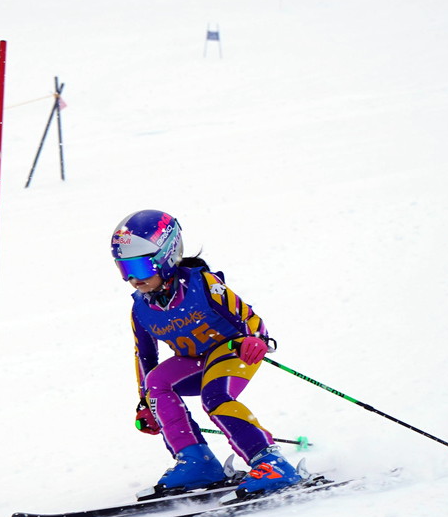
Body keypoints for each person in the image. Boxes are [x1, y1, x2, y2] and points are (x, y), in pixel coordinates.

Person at [111, 209, 306, 498]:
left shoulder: (204, 286)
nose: (134, 280)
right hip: (194, 361)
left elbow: (249, 318)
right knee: (157, 383)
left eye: (140, 269)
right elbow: (145, 357)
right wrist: (146, 403)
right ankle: (197, 462)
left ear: (166, 259)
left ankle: (271, 462)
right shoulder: (140, 309)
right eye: (126, 271)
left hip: (231, 350)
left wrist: (256, 339)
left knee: (215, 397)